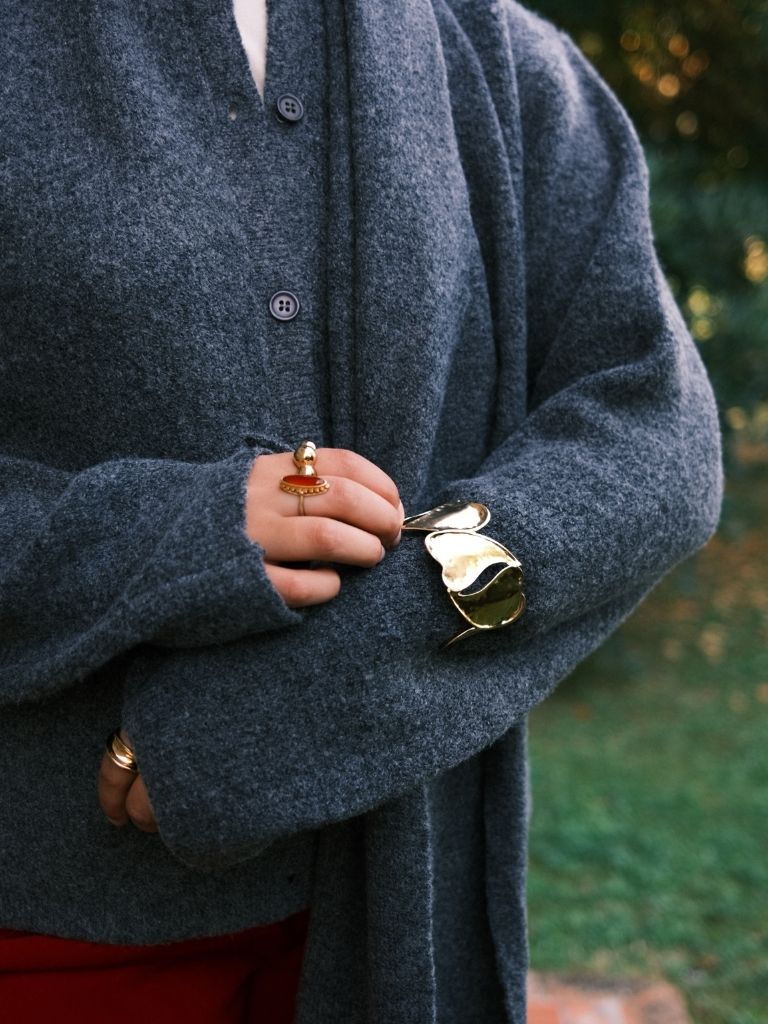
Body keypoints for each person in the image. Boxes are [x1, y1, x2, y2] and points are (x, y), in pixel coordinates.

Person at [0, 0, 723, 1021]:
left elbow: (659, 435)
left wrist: (294, 713)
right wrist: (177, 532)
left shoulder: (496, 52)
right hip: (52, 933)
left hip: (406, 918)